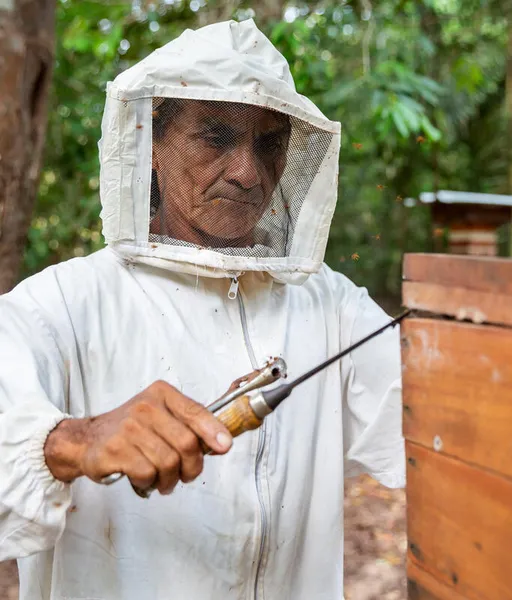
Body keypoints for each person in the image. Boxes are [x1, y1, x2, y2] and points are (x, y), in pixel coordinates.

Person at [0, 19, 403, 600]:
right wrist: (72, 440)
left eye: (268, 144)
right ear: (153, 145)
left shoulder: (329, 303)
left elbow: (432, 403)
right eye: (216, 137)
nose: (246, 172)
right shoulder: (66, 301)